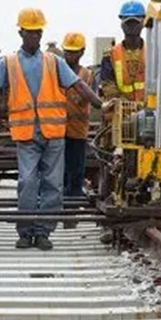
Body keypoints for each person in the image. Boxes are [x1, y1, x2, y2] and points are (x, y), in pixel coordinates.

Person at [0, 8, 105, 250]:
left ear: (41, 34)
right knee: (28, 182)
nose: (33, 37)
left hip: (53, 134)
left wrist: (101, 105)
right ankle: (25, 230)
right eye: (29, 32)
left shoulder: (54, 62)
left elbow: (79, 85)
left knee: (52, 184)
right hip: (27, 136)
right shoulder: (8, 63)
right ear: (21, 33)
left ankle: (43, 232)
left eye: (37, 32)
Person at [98, 0, 161, 103]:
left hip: (149, 111)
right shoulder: (111, 55)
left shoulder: (154, 53)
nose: (131, 27)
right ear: (122, 24)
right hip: (121, 112)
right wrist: (124, 103)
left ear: (143, 23)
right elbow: (108, 85)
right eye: (128, 23)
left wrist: (148, 103)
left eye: (135, 23)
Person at [60, 32, 92, 198]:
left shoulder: (86, 75)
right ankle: (62, 194)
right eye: (67, 51)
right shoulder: (56, 71)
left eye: (73, 52)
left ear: (82, 52)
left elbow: (83, 98)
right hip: (58, 129)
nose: (69, 55)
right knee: (60, 167)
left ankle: (75, 193)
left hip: (78, 129)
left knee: (77, 166)